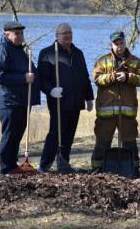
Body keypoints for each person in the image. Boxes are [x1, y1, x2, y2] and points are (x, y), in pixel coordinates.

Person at [38, 22, 94, 172]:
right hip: (58, 102)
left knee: (69, 135)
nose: (68, 35)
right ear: (57, 36)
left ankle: (64, 162)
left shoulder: (78, 53)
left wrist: (89, 97)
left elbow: (84, 77)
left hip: (76, 102)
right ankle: (44, 165)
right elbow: (42, 79)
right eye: (64, 33)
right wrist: (50, 90)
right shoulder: (48, 53)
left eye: (70, 32)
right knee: (55, 134)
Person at [91, 31, 140, 172]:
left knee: (130, 142)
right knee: (102, 143)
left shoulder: (135, 61)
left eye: (121, 43)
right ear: (111, 45)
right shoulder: (102, 61)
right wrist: (112, 77)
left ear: (125, 43)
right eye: (116, 44)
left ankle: (134, 169)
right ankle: (97, 169)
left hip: (127, 112)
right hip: (106, 112)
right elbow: (97, 79)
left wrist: (128, 77)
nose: (119, 46)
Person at [0, 21, 40, 175]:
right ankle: (5, 168)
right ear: (7, 34)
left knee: (17, 134)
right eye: (16, 33)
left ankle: (12, 165)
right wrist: (23, 78)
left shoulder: (20, 51)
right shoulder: (3, 50)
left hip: (21, 101)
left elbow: (32, 73)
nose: (20, 36)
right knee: (10, 134)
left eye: (21, 33)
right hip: (8, 101)